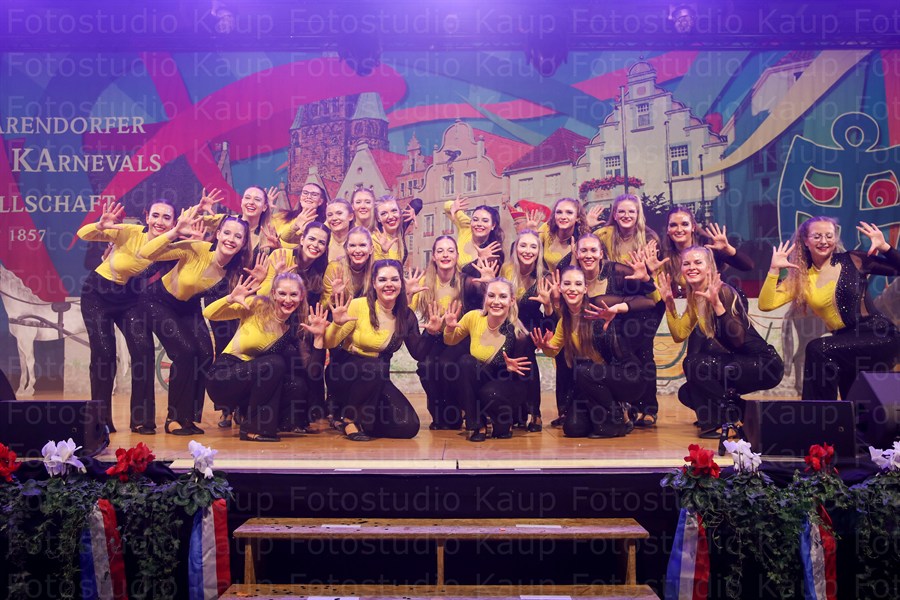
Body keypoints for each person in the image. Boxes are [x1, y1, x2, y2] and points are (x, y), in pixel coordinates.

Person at [759, 217, 899, 399]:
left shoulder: (854, 260)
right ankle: (831, 415)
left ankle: (819, 412)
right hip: (844, 343)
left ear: (835, 238)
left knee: (818, 348)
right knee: (854, 401)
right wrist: (773, 270)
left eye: (829, 236)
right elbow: (766, 304)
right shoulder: (801, 277)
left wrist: (885, 247)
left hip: (879, 334)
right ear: (806, 241)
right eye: (817, 236)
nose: (824, 241)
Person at [139, 209, 251, 435]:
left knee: (206, 354)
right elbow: (146, 252)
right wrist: (174, 232)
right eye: (227, 233)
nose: (231, 239)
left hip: (188, 307)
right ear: (218, 234)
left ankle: (189, 417)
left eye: (238, 236)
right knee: (185, 352)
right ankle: (173, 419)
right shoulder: (197, 248)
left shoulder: (233, 271)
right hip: (158, 301)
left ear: (243, 243)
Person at [660, 247, 784, 437]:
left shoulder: (723, 292)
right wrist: (669, 303)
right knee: (687, 392)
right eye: (686, 263)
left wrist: (718, 306)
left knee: (694, 363)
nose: (691, 267)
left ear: (710, 267)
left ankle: (722, 423)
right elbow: (680, 334)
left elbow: (739, 339)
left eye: (698, 262)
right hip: (740, 362)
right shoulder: (696, 296)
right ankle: (750, 414)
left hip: (764, 364)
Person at [76, 199, 176, 434]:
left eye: (166, 217)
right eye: (155, 215)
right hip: (97, 295)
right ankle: (100, 421)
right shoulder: (130, 232)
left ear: (174, 222)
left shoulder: (170, 247)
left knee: (143, 350)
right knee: (104, 355)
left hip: (129, 299)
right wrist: (100, 226)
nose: (160, 221)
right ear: (147, 217)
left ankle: (142, 420)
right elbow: (83, 234)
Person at [324, 260, 442, 441]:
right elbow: (329, 342)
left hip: (376, 378)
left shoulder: (405, 315)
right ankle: (349, 419)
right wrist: (336, 324)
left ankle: (363, 421)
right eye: (382, 280)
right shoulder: (358, 305)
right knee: (376, 366)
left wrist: (431, 334)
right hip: (345, 372)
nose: (389, 284)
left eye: (394, 279)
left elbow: (418, 353)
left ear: (401, 284)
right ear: (373, 283)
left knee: (408, 426)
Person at [204, 273, 327, 441]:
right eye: (282, 293)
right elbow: (209, 313)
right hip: (223, 377)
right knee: (275, 363)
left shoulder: (293, 328)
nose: (287, 300)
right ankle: (252, 429)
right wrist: (230, 298)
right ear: (274, 293)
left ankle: (266, 422)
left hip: (250, 384)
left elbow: (312, 372)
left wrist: (319, 338)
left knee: (296, 385)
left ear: (301, 296)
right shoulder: (257, 305)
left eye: (293, 294)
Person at [531, 266, 651, 438]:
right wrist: (545, 347)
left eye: (578, 284)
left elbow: (646, 302)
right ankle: (616, 413)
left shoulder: (598, 305)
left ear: (585, 288)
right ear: (561, 288)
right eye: (567, 284)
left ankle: (617, 420)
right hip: (596, 379)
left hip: (628, 376)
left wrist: (617, 309)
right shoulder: (564, 322)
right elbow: (553, 351)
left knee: (584, 370)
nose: (572, 288)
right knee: (573, 428)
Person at [444, 279, 535, 442]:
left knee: (493, 404)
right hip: (485, 377)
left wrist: (508, 368)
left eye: (502, 296)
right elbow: (450, 340)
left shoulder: (519, 334)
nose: (496, 301)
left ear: (511, 300)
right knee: (466, 362)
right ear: (485, 298)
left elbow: (525, 378)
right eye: (491, 296)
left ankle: (505, 420)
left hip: (508, 384)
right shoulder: (474, 317)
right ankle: (477, 424)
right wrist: (449, 328)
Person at [500, 230, 556, 431]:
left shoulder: (545, 277)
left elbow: (552, 319)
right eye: (523, 245)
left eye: (533, 246)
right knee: (517, 348)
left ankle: (532, 411)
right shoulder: (506, 270)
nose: (527, 250)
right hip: (508, 323)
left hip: (533, 324)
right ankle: (520, 411)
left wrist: (548, 305)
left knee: (524, 345)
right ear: (515, 248)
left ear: (539, 251)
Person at [654, 207, 753, 298]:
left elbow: (748, 266)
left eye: (685, 224)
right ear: (667, 229)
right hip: (690, 306)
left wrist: (728, 249)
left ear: (693, 227)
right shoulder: (664, 256)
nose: (679, 229)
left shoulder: (708, 247)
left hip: (724, 302)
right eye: (673, 225)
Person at [444, 196, 505, 269]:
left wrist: (479, 261)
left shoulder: (494, 251)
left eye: (485, 221)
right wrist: (452, 206)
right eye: (475, 220)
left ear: (493, 225)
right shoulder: (466, 227)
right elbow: (446, 206)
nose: (479, 224)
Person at [320, 227, 374, 309]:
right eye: (352, 245)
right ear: (347, 249)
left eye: (362, 245)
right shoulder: (335, 268)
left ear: (371, 249)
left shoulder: (375, 270)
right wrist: (333, 296)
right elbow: (322, 308)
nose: (357, 250)